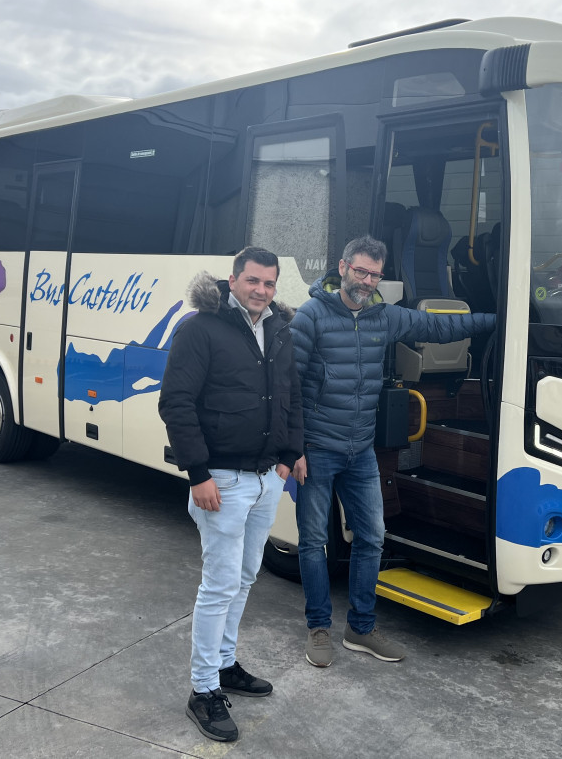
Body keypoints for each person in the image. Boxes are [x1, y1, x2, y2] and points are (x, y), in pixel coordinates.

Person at [290, 234, 495, 667]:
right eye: (360, 270)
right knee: (312, 543)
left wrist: (496, 319)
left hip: (360, 450)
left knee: (372, 538)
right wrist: (292, 448)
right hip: (318, 448)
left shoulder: (385, 317)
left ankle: (361, 629)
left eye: (375, 274)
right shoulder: (311, 316)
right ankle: (319, 629)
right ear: (342, 267)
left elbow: (440, 327)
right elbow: (286, 385)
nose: (366, 280)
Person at [158, 246, 305, 743]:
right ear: (233, 279)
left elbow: (291, 395)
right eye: (253, 281)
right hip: (220, 479)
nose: (261, 290)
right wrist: (198, 473)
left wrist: (288, 456)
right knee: (219, 584)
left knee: (245, 575)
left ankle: (223, 664)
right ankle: (203, 691)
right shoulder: (201, 328)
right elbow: (175, 401)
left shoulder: (278, 330)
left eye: (269, 283)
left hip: (266, 478)